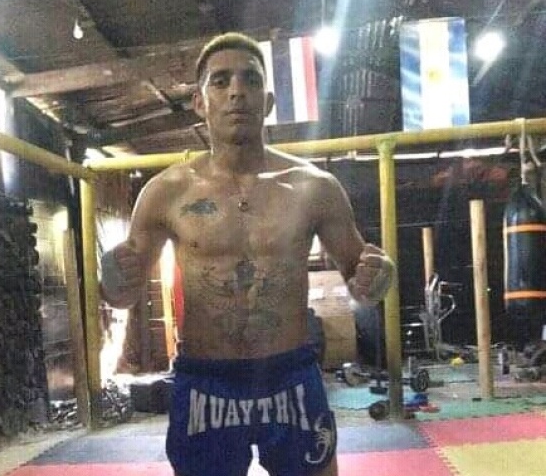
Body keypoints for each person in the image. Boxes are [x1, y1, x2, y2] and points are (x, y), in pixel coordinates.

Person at [100, 32, 394, 476]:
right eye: (220, 81)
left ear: (268, 101)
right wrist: (111, 279)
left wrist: (379, 275)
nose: (237, 91)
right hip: (206, 381)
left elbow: (362, 280)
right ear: (199, 103)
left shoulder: (315, 188)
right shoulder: (164, 192)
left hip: (290, 375)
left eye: (250, 80)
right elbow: (122, 295)